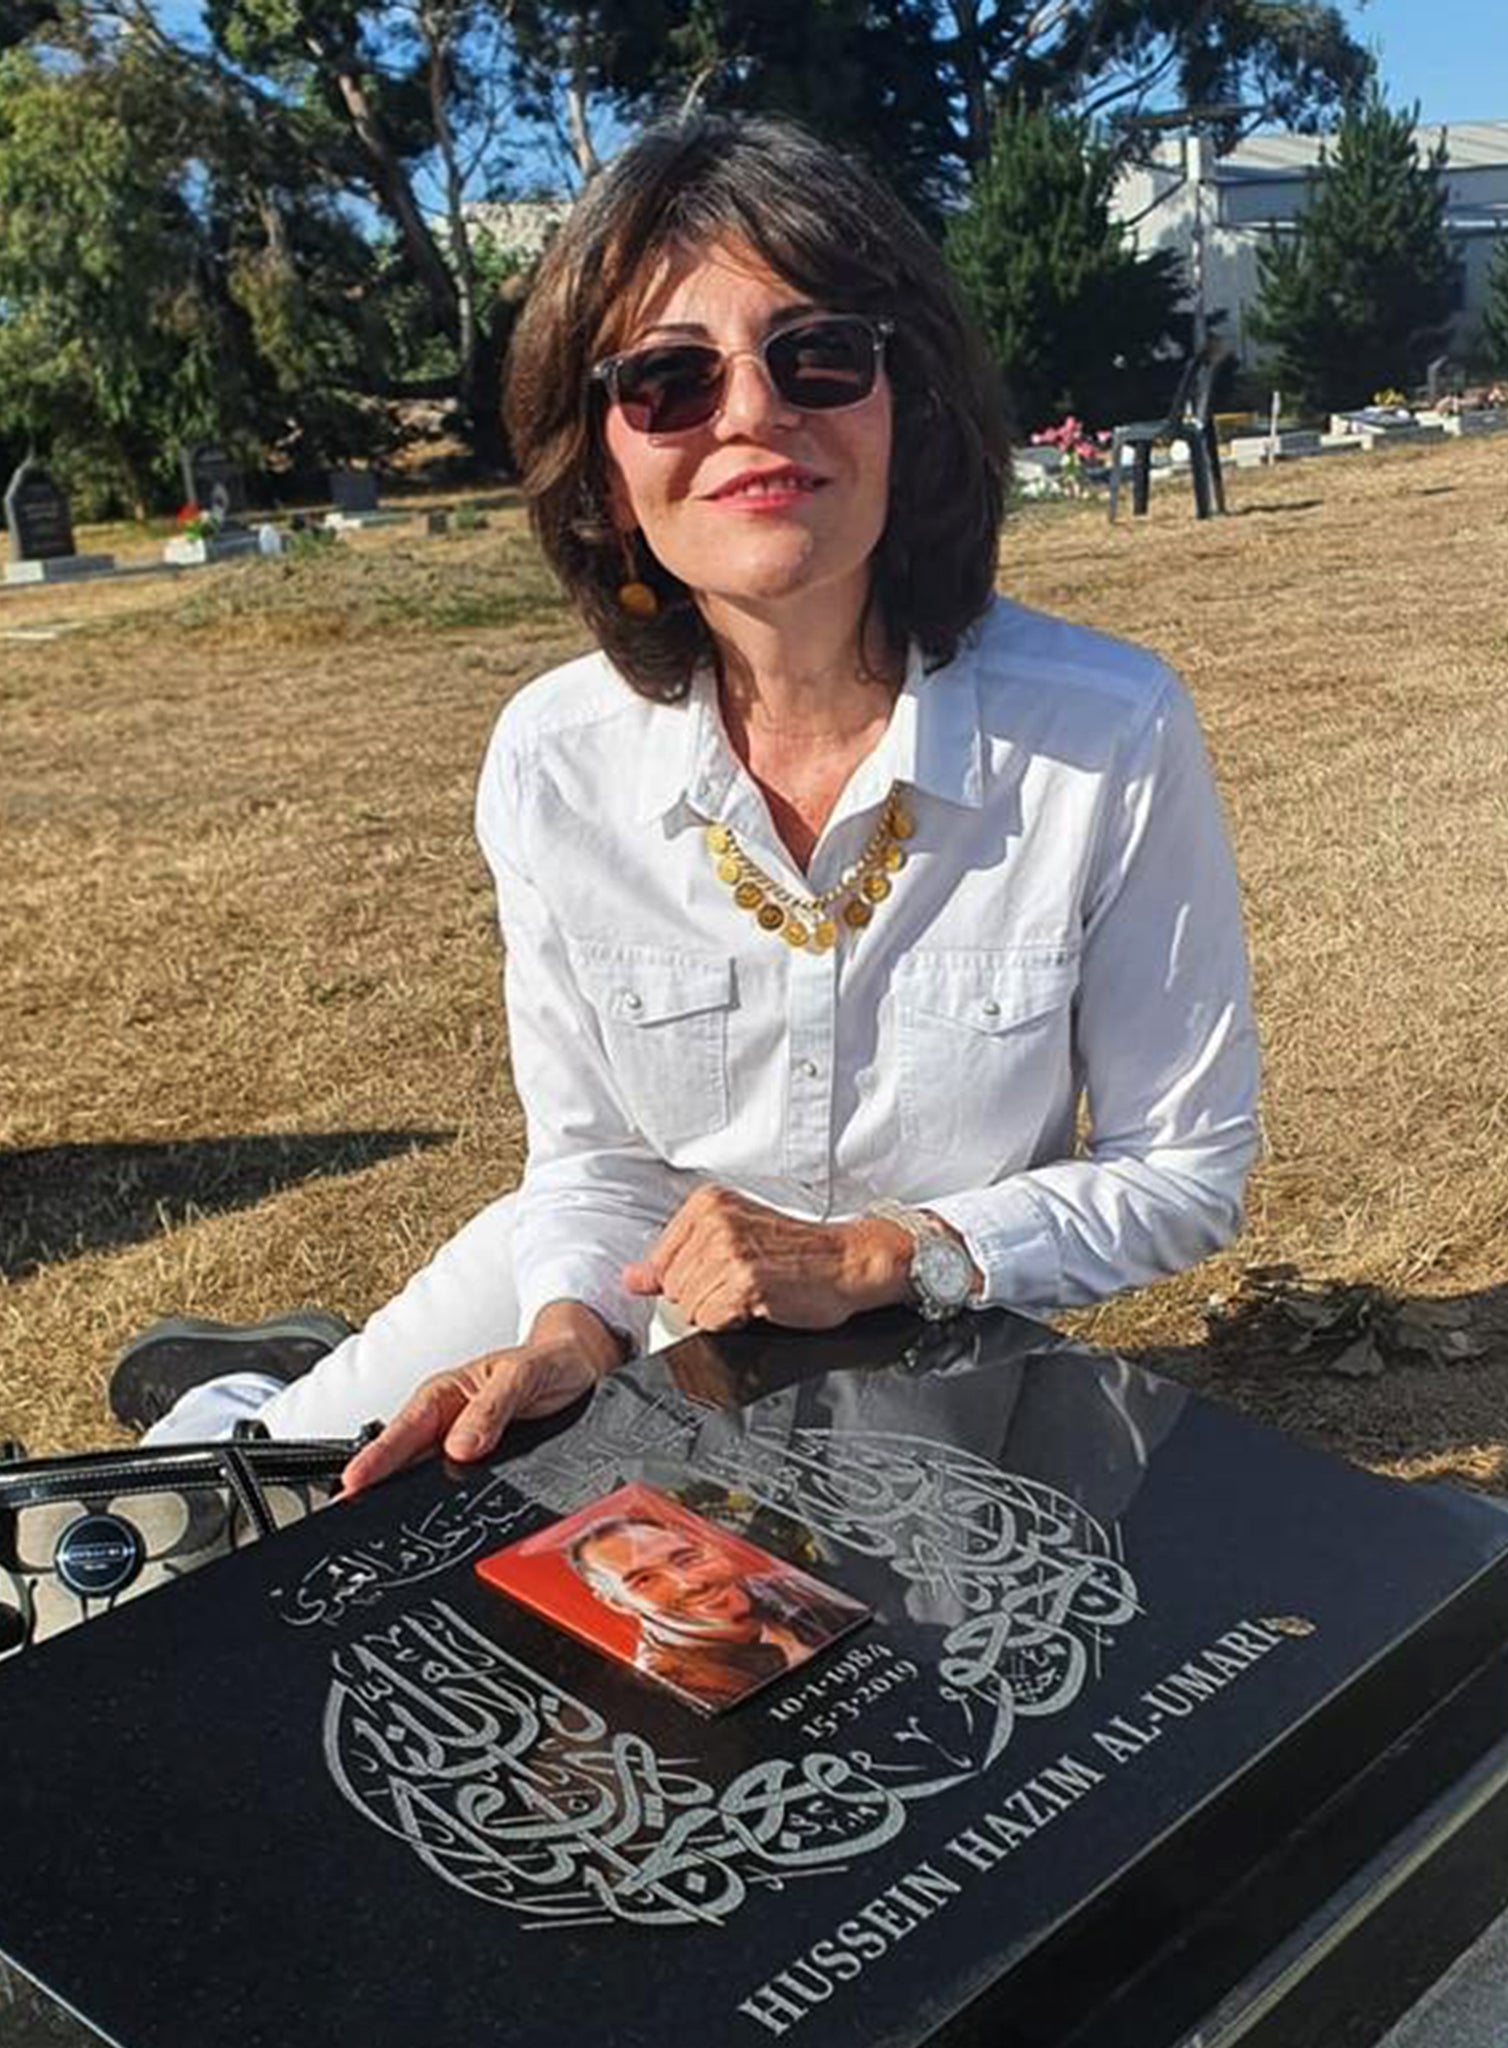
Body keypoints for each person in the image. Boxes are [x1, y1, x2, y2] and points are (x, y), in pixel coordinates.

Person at [126, 112, 1258, 1488]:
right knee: (231, 1508)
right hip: (611, 1295)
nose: (751, 412)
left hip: (930, 1353)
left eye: (817, 354)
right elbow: (593, 1162)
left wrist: (883, 1254)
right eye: (666, 379)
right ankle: (248, 1383)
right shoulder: (553, 761)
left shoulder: (1108, 735)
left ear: (912, 402)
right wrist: (563, 1333)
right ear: (603, 465)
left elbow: (1184, 1171)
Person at [566, 1510, 862, 1708]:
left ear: (712, 1550)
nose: (690, 1583)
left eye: (686, 1559)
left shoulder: (787, 1587)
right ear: (617, 1603)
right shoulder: (671, 1685)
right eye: (644, 1580)